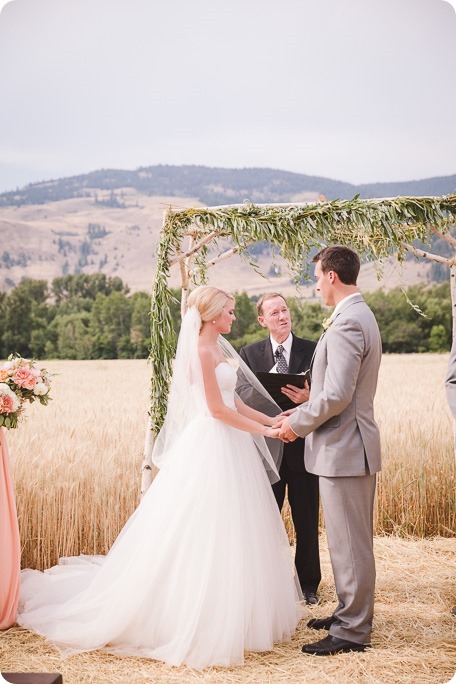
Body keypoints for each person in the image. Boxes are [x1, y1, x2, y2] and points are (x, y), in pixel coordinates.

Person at [17, 286, 304, 669]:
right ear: (213, 315)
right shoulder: (201, 353)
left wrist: (273, 419)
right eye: (230, 312)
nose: (234, 318)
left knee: (234, 528)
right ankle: (194, 613)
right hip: (211, 446)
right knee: (203, 529)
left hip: (229, 446)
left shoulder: (217, 349)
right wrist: (266, 433)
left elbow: (234, 400)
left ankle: (236, 607)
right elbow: (217, 411)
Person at [277, 245, 382, 656]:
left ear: (333, 276)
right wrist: (308, 400)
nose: (316, 283)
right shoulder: (356, 315)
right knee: (345, 540)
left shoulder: (347, 323)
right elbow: (336, 389)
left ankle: (353, 632)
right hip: (348, 446)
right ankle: (346, 613)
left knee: (351, 544)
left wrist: (296, 422)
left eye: (317, 275)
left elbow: (337, 395)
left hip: (345, 448)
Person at [237, 293, 321, 605]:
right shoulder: (250, 353)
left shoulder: (313, 350)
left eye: (284, 310)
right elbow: (241, 392)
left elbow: (327, 392)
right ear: (263, 321)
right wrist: (268, 393)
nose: (282, 316)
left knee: (307, 519)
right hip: (267, 451)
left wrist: (308, 400)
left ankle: (308, 586)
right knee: (266, 521)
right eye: (274, 313)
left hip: (302, 449)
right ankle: (268, 584)